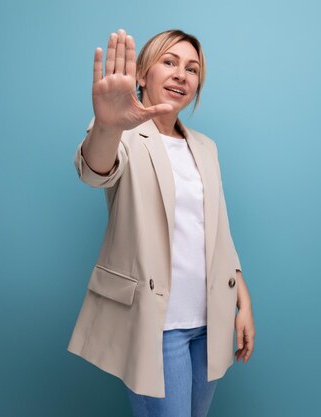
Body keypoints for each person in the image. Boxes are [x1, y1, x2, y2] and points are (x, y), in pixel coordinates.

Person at [67, 28, 256, 417]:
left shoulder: (205, 147)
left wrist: (243, 300)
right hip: (159, 324)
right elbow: (94, 171)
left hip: (211, 321)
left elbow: (217, 229)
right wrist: (107, 125)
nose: (181, 75)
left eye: (192, 68)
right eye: (169, 62)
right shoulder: (122, 131)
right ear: (141, 75)